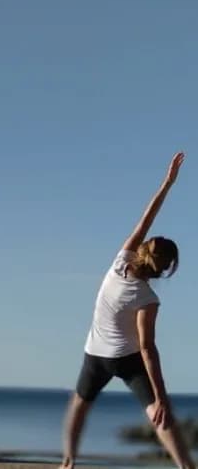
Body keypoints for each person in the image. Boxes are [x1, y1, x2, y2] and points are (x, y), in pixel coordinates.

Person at [60, 152, 195, 469]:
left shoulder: (120, 262)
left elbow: (146, 217)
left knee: (79, 404)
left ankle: (68, 461)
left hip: (95, 354)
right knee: (158, 412)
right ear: (165, 270)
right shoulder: (147, 298)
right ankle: (185, 466)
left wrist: (167, 184)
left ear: (145, 249)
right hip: (128, 358)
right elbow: (147, 348)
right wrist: (160, 396)